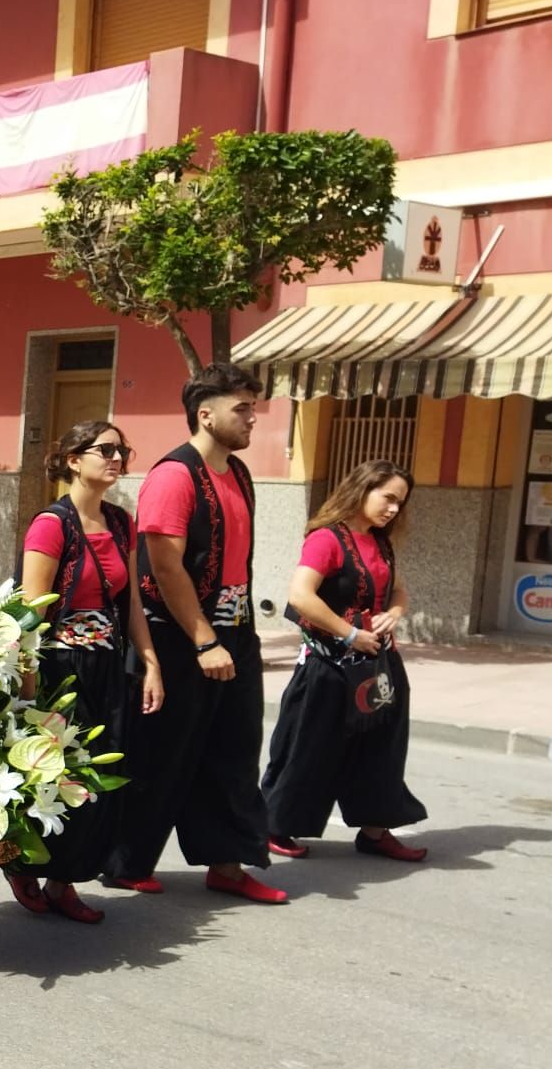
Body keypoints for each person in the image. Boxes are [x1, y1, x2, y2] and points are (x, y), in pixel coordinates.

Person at [106, 363, 285, 904]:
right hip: (182, 636)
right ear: (205, 414)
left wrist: (228, 638)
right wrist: (204, 639)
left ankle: (228, 863)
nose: (253, 418)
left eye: (253, 407)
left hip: (237, 632)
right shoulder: (173, 476)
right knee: (163, 754)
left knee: (234, 751)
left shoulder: (239, 473)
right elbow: (165, 565)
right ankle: (126, 861)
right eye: (242, 408)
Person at [2, 421, 164, 925]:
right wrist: (29, 687)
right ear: (73, 459)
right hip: (59, 666)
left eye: (123, 450)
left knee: (99, 776)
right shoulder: (52, 524)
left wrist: (151, 662)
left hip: (107, 663)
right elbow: (31, 610)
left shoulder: (120, 522)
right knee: (53, 774)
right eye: (105, 449)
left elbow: (132, 600)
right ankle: (24, 866)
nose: (117, 458)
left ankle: (64, 880)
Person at [262, 460, 428, 862]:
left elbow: (398, 591)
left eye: (400, 503)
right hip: (328, 664)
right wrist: (350, 633)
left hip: (378, 665)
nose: (393, 509)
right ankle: (275, 826)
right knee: (308, 747)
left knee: (381, 748)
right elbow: (301, 595)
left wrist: (396, 613)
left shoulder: (381, 542)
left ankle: (375, 830)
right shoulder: (327, 539)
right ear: (362, 489)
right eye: (387, 498)